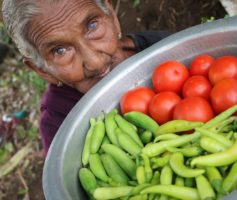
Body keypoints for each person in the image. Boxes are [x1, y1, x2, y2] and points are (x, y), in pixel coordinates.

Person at [2, 0, 170, 155]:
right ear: (42, 71)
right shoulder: (60, 126)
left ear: (112, 16)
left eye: (92, 26)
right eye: (59, 51)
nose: (95, 62)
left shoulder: (159, 46)